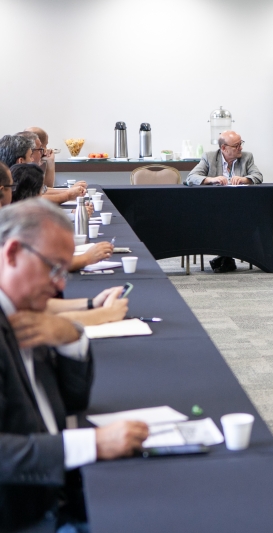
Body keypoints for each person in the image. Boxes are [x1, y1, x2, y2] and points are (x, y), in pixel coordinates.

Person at [0, 199, 148, 531]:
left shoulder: (24, 310)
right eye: (53, 268)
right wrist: (94, 443)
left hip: (56, 490)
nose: (61, 284)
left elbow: (73, 402)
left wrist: (71, 338)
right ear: (11, 254)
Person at [10, 164, 112, 272]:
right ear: (34, 194)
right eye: (42, 191)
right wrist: (87, 257)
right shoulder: (22, 224)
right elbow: (47, 265)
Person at [186, 130, 263, 273]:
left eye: (241, 144)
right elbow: (191, 178)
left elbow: (258, 176)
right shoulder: (209, 157)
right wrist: (211, 179)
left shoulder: (247, 157)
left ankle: (227, 257)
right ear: (223, 148)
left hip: (240, 207)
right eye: (236, 145)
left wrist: (244, 179)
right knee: (223, 220)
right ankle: (226, 257)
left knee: (237, 219)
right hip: (214, 208)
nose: (241, 148)